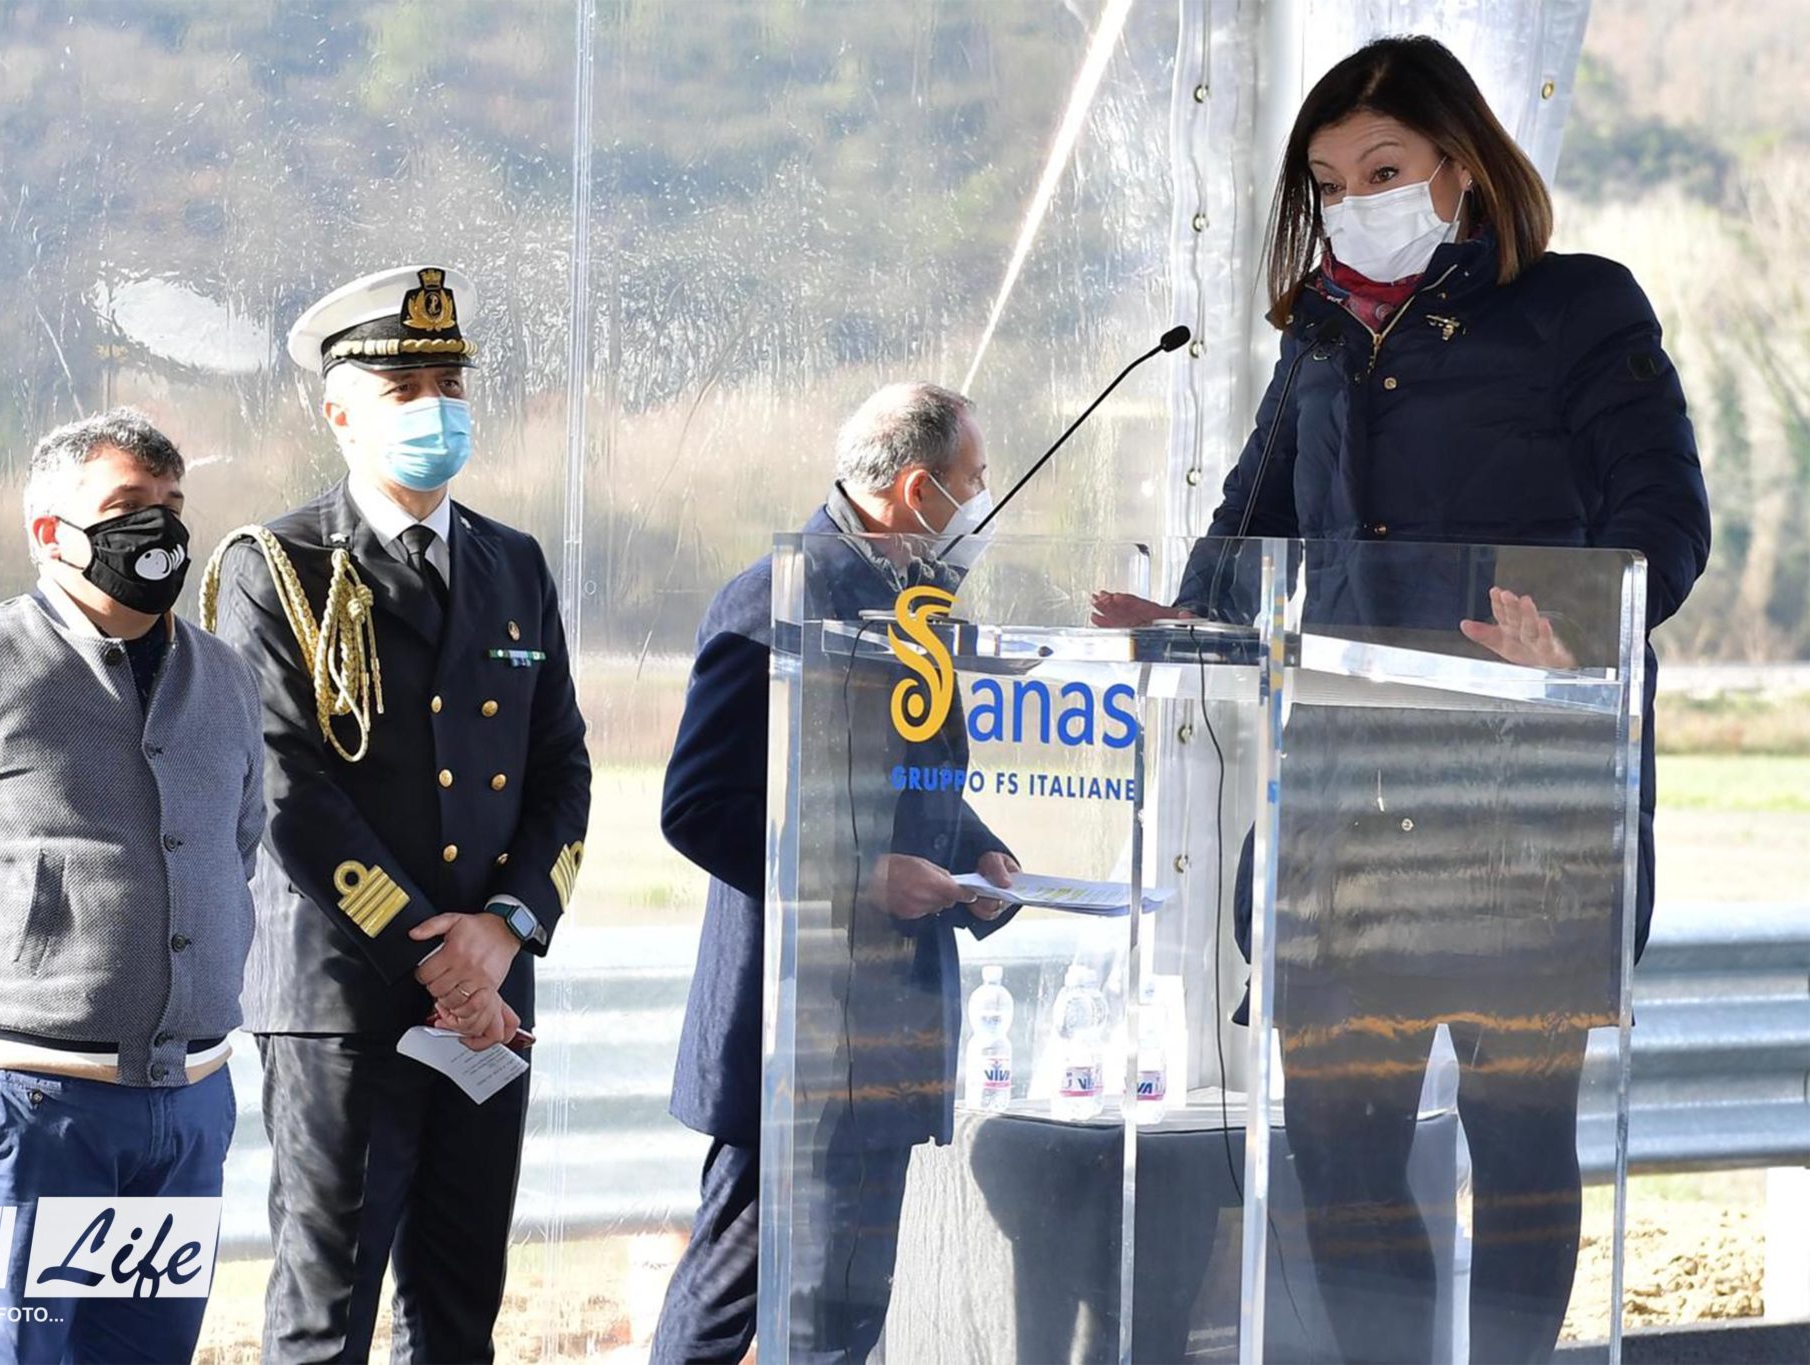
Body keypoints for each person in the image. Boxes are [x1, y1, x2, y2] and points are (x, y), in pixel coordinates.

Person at [1091, 36, 1709, 1365]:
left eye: (1382, 169)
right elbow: (1252, 522)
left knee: (1518, 1146)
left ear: (1459, 163)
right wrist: (1192, 612)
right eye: (1327, 180)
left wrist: (1575, 625)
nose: (1352, 198)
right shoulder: (1318, 337)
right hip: (1343, 817)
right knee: (1338, 1153)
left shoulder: (1578, 308)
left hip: (1522, 813)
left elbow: (1664, 518)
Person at [207, 264, 591, 1364]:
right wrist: (435, 954)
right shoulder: (279, 567)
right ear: (340, 414)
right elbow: (286, 784)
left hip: (488, 995)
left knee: (460, 1308)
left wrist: (504, 928)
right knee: (327, 1318)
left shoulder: (513, 563)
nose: (436, 408)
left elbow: (562, 770)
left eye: (448, 384)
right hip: (349, 997)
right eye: (404, 389)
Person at [0, 408, 264, 1364]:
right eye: (126, 505)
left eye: (171, 504)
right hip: (30, 1112)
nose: (159, 527)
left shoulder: (227, 678)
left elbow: (237, 845)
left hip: (188, 1107)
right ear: (49, 532)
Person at [654, 382, 1019, 1364]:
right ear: (916, 490)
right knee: (736, 1297)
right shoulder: (777, 596)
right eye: (974, 481)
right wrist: (862, 878)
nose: (982, 502)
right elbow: (699, 808)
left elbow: (907, 780)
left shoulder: (915, 603)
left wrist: (977, 856)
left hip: (889, 1026)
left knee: (850, 1304)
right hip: (796, 1030)